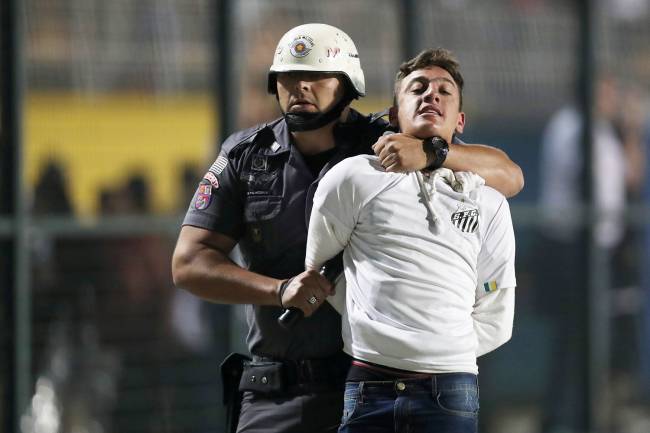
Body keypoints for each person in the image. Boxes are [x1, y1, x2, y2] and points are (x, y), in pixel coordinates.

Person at [172, 24, 523, 433]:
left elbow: (509, 175)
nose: (300, 86)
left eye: (316, 76)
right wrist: (279, 290)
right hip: (276, 387)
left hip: (367, 382)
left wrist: (431, 151)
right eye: (287, 76)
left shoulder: (387, 141)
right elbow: (188, 263)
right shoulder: (244, 154)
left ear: (347, 85)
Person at [304, 47, 516, 433]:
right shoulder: (353, 177)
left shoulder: (488, 200)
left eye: (443, 91)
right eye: (417, 88)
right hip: (369, 381)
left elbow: (497, 310)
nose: (430, 94)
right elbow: (319, 270)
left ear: (461, 120)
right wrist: (377, 331)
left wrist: (441, 346)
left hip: (450, 386)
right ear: (393, 115)